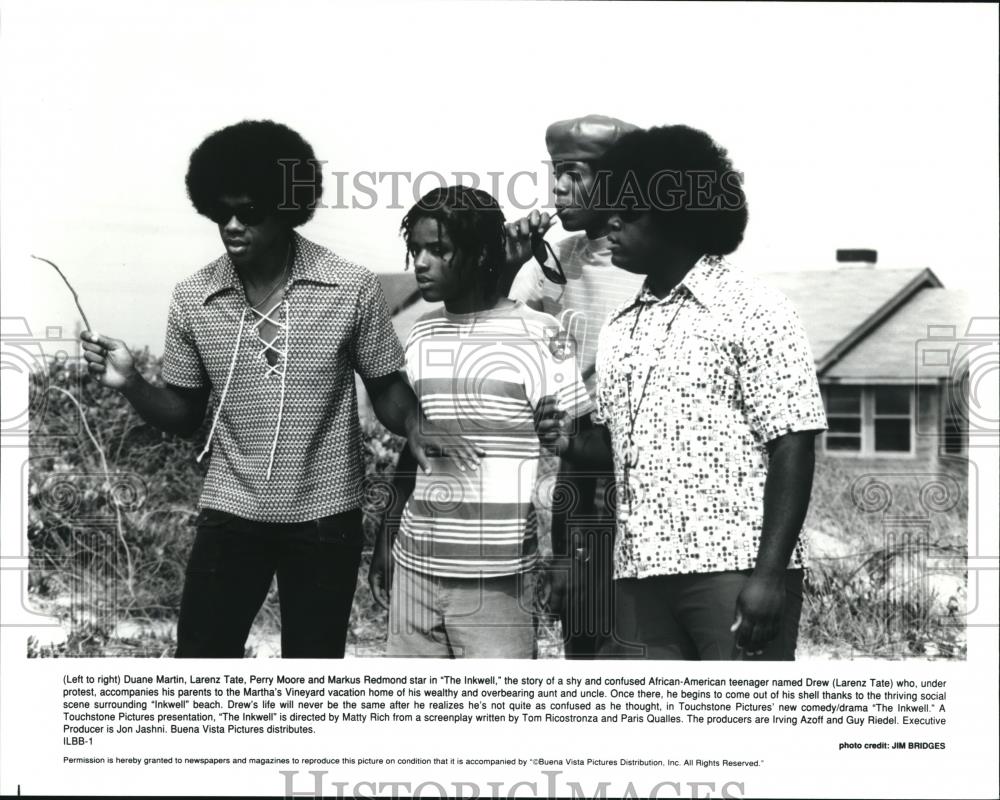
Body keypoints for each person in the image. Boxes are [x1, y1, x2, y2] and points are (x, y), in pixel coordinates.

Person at [80, 120, 479, 658]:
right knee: (200, 661)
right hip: (230, 508)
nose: (232, 225)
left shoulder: (349, 286)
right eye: (221, 212)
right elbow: (181, 412)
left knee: (310, 672)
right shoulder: (194, 298)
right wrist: (130, 384)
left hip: (325, 514)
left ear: (286, 208)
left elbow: (386, 385)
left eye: (249, 211)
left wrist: (413, 424)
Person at [537, 124, 827, 660]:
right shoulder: (620, 327)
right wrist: (568, 443)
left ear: (676, 216)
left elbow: (793, 446)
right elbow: (618, 449)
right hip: (638, 574)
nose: (612, 222)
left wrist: (768, 576)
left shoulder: (757, 309)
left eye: (629, 210)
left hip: (733, 571)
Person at [371, 185, 592, 658]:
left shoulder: (540, 333)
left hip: (497, 581)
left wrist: (566, 558)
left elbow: (585, 449)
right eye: (416, 251)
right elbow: (417, 444)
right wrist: (386, 537)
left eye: (438, 250)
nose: (420, 264)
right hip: (415, 568)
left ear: (478, 255)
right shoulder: (422, 332)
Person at [504, 114, 646, 658]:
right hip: (583, 464)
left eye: (572, 173)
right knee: (584, 631)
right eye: (554, 173)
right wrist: (506, 266)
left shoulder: (655, 262)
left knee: (642, 634)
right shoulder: (554, 262)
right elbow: (500, 335)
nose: (557, 188)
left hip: (650, 460)